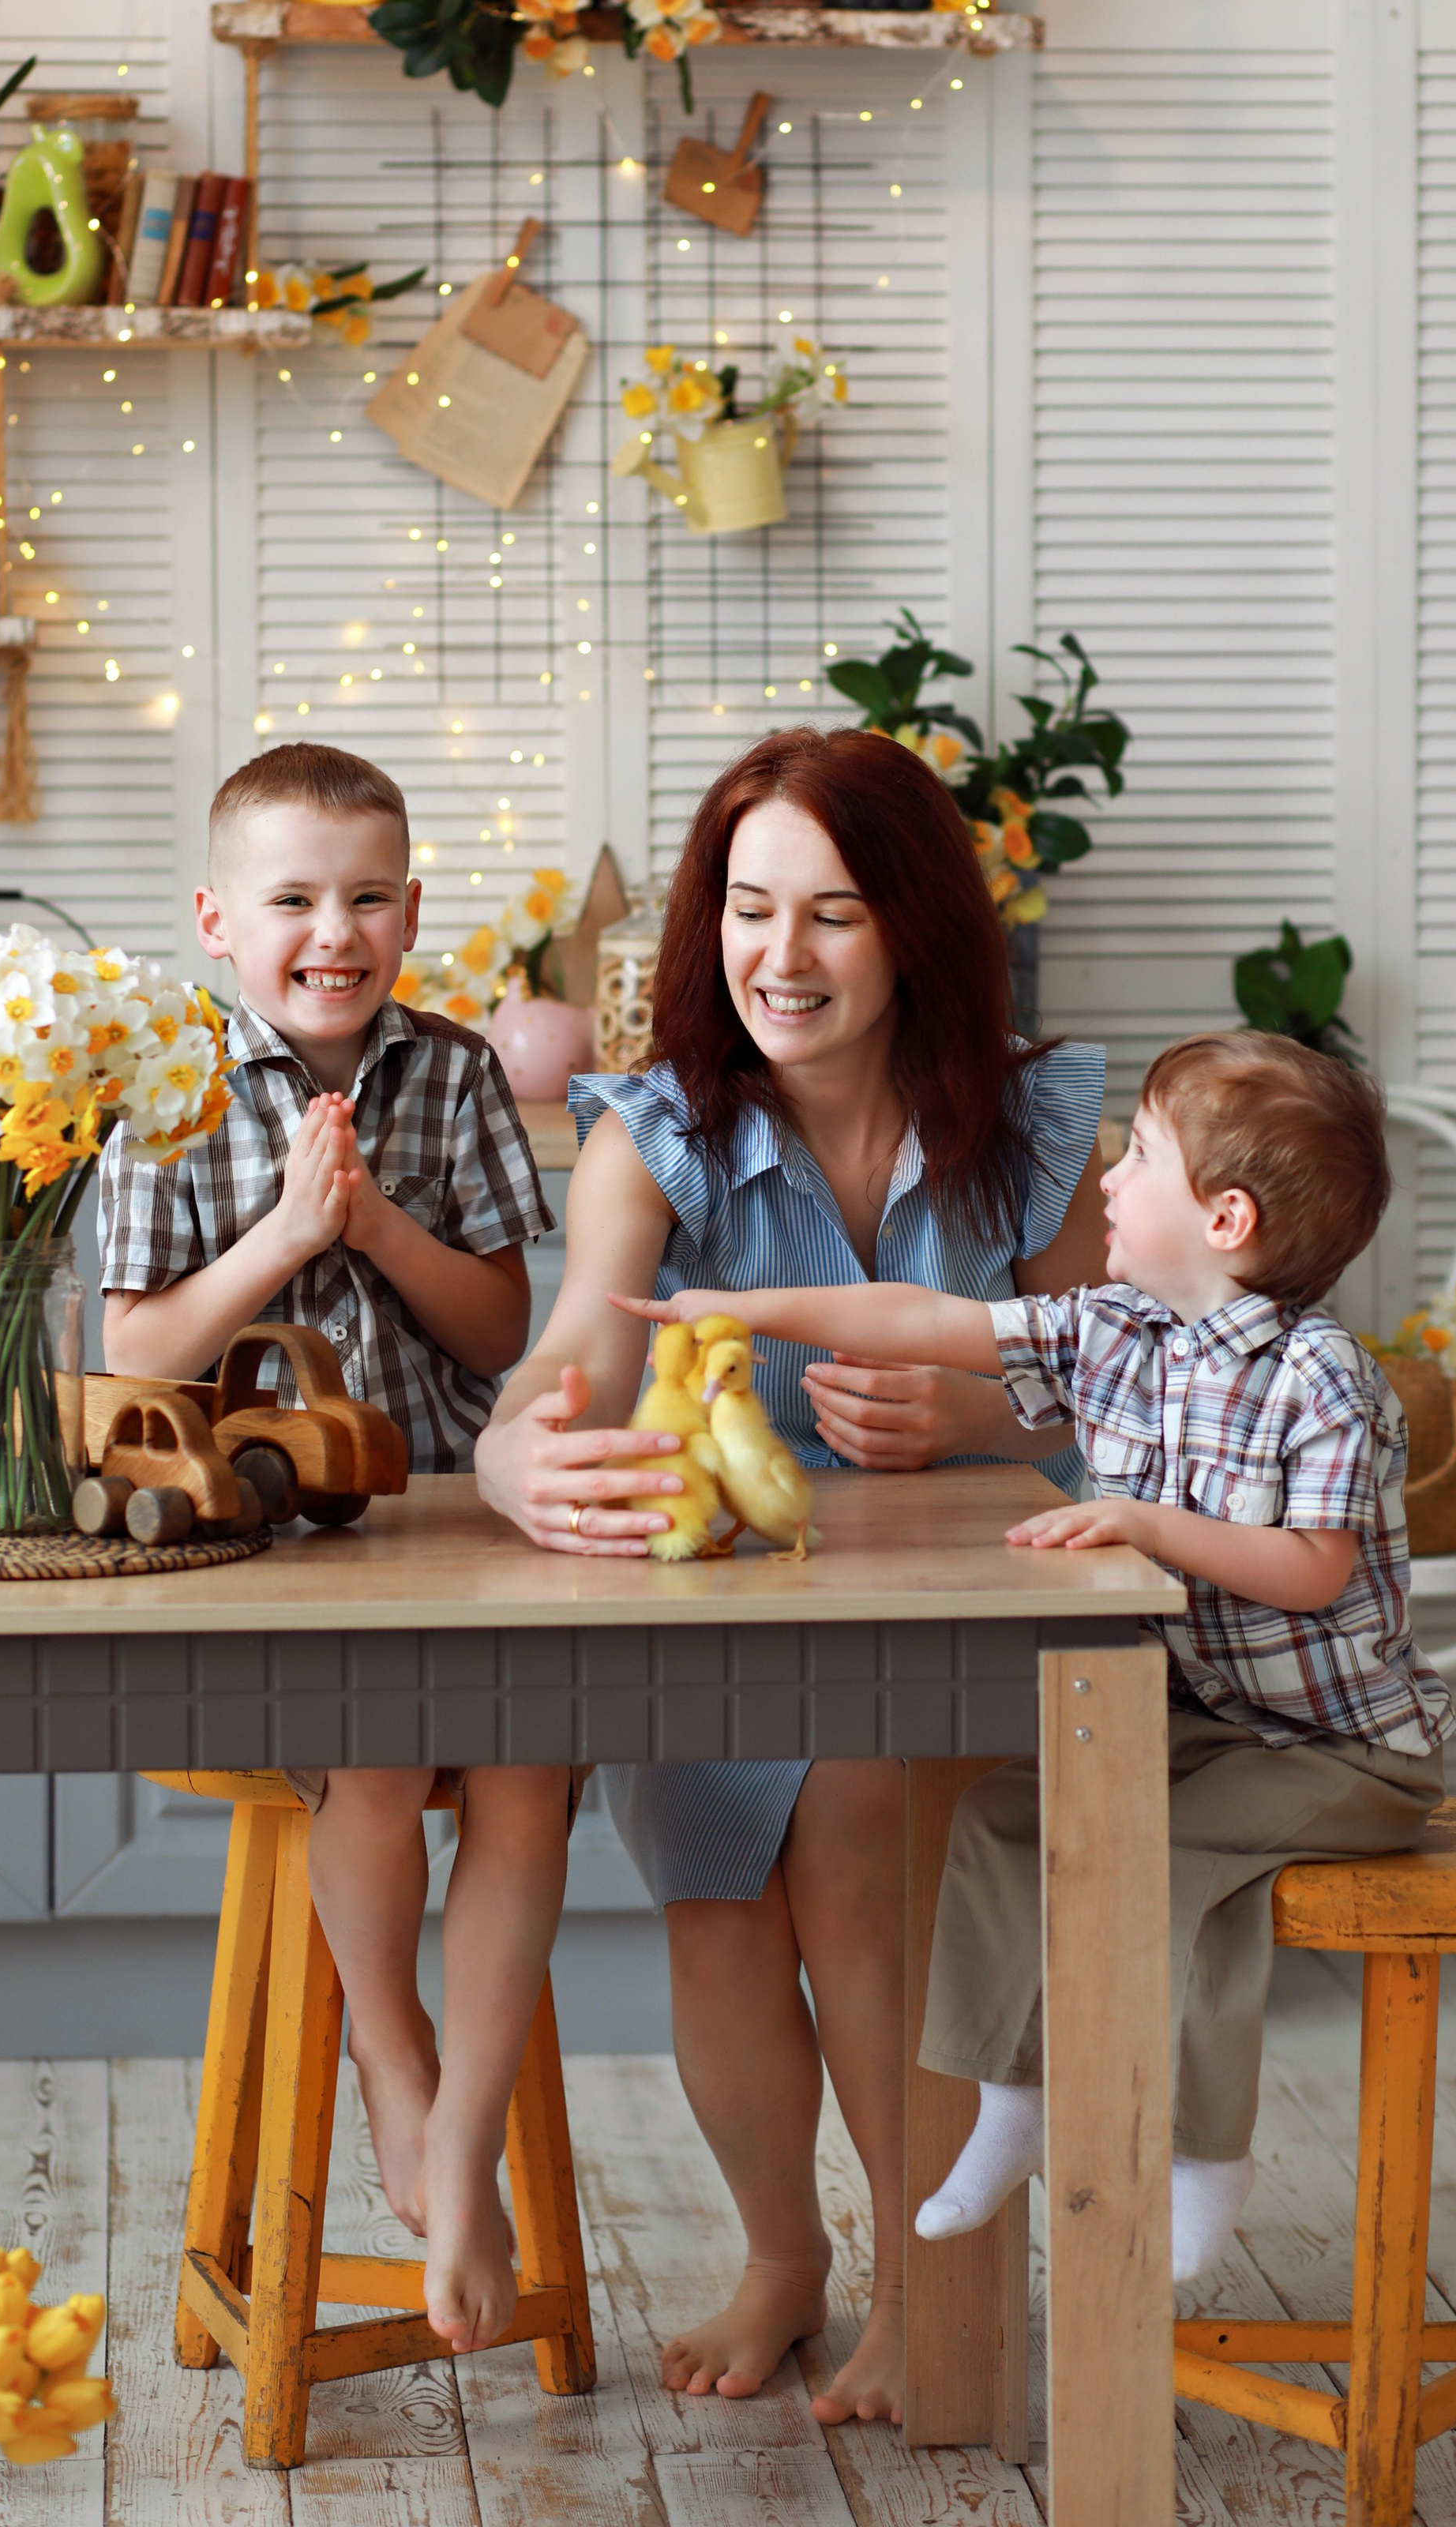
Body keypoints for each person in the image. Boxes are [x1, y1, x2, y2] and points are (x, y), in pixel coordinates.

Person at [471, 725, 1108, 2424]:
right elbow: (566, 1373)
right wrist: (509, 1454)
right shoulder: (652, 1133)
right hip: (721, 1602)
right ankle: (784, 2255)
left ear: (911, 929)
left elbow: (1114, 1379)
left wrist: (966, 1406)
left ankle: (926, 2284)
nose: (781, 955)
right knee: (717, 1924)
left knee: (848, 1840)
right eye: (749, 908)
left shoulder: (1039, 1121)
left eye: (831, 914)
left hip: (957, 1611)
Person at [615, 1028, 1453, 2284]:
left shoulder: (1321, 1377)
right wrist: (737, 1307)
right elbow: (920, 1317)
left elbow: (1314, 1570)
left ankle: (1203, 2154)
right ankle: (1008, 2099)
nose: (1105, 1174)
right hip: (1213, 1719)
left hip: (1345, 1751)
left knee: (1155, 1859)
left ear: (1224, 1218)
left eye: (1142, 1158)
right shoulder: (1115, 1330)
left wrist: (1145, 1524)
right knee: (1005, 1817)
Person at [98, 741, 569, 2355]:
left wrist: (375, 1228)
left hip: (446, 1516)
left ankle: (463, 2128)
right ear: (219, 920)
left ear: (413, 910)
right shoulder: (166, 1087)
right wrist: (289, 1235)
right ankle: (394, 2058)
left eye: (368, 897)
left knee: (525, 1770)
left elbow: (502, 1323)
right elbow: (137, 1356)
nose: (333, 930)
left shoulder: (448, 1074)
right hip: (268, 1541)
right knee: (375, 1761)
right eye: (294, 898)